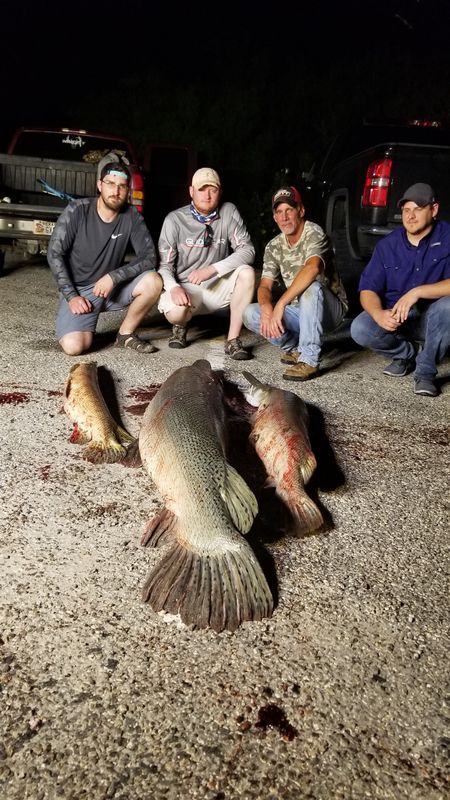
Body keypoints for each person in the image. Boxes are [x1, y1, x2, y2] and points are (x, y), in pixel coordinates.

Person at [47, 161, 162, 355]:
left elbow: (150, 257)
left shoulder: (132, 215)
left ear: (128, 190)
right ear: (100, 185)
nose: (115, 191)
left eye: (122, 186)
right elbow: (54, 253)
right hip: (81, 291)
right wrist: (72, 296)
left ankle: (125, 335)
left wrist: (113, 277)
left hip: (111, 288)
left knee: (153, 281)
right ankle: (79, 323)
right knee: (74, 347)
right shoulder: (77, 210)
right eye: (110, 184)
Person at [350, 183, 450, 397]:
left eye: (417, 209)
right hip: (398, 319)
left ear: (433, 210)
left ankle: (426, 372)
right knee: (360, 328)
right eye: (406, 210)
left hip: (434, 321)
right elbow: (367, 289)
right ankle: (406, 354)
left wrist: (417, 292)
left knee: (448, 306)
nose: (410, 216)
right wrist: (378, 314)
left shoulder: (448, 237)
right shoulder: (388, 245)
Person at [242, 186, 348, 380]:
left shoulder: (314, 232)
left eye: (289, 210)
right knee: (251, 313)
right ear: (274, 217)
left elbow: (313, 268)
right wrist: (267, 308)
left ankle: (308, 359)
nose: (284, 217)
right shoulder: (274, 245)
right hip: (300, 311)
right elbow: (265, 286)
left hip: (329, 311)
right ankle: (295, 347)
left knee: (312, 287)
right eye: (279, 212)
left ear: (301, 210)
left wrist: (280, 304)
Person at [157, 167, 255, 360]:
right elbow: (164, 266)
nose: (208, 195)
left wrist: (213, 269)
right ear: (192, 191)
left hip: (215, 286)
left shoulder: (228, 211)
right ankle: (180, 327)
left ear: (220, 192)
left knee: (247, 272)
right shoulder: (174, 219)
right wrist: (174, 287)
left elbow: (248, 250)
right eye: (202, 189)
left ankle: (233, 340)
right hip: (187, 290)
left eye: (213, 189)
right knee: (177, 312)